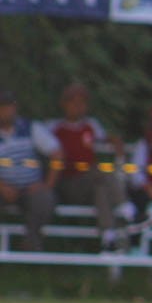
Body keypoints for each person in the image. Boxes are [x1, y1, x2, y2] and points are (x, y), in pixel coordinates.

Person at [47, 83, 133, 252]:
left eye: (82, 102)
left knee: (100, 189)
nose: (78, 107)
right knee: (99, 172)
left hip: (89, 183)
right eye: (73, 102)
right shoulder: (54, 128)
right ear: (64, 104)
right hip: (68, 182)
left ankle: (108, 235)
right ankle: (125, 206)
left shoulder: (91, 126)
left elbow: (104, 138)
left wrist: (114, 141)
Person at [0, 89, 60, 251]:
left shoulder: (31, 127)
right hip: (2, 188)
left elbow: (57, 154)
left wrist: (47, 184)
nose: (5, 111)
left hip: (31, 188)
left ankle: (31, 243)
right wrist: (2, 186)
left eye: (8, 106)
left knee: (45, 197)